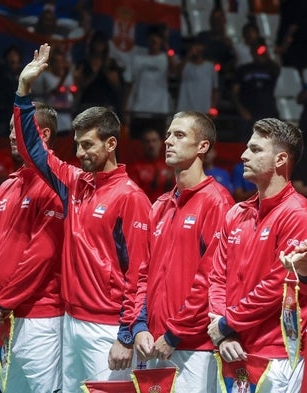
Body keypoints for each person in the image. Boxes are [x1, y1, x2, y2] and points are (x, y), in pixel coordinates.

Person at [14, 44, 151, 391]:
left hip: (107, 330)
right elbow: (35, 152)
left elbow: (140, 272)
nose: (79, 153)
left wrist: (125, 334)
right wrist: (24, 90)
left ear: (110, 144)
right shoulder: (74, 183)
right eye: (77, 144)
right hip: (70, 322)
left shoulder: (130, 197)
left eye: (88, 145)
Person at [111, 110, 234, 392]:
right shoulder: (160, 205)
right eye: (168, 134)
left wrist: (174, 335)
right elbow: (141, 273)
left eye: (179, 135)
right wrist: (139, 326)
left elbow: (211, 281)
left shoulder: (217, 203)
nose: (168, 141)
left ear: (203, 146)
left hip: (195, 348)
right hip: (154, 343)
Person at [207, 118, 307, 392]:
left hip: (276, 353)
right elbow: (216, 277)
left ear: (281, 159)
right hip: (230, 349)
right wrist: (222, 332)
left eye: (256, 150)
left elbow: (277, 286)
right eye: (247, 148)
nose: (244, 155)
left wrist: (227, 323)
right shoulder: (235, 212)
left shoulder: (299, 214)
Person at [0, 104, 65, 393]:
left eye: (18, 128)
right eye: (11, 128)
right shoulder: (7, 186)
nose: (11, 135)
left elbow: (42, 256)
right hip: (4, 315)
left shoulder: (55, 185)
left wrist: (4, 302)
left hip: (40, 318)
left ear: (44, 134)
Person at [232, 43, 280, 141]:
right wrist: (241, 110)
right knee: (245, 144)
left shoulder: (271, 68)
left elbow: (278, 70)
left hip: (268, 113)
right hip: (248, 114)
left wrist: (267, 57)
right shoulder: (243, 69)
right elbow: (234, 92)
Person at [127, 127, 174, 203]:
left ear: (160, 142)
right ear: (142, 144)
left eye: (154, 140)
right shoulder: (135, 168)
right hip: (145, 208)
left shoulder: (170, 165)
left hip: (166, 210)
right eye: (147, 141)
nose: (151, 145)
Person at [176, 39, 218, 114]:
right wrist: (188, 55)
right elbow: (176, 72)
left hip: (204, 109)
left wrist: (212, 106)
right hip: (185, 108)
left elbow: (214, 89)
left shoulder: (210, 66)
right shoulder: (185, 65)